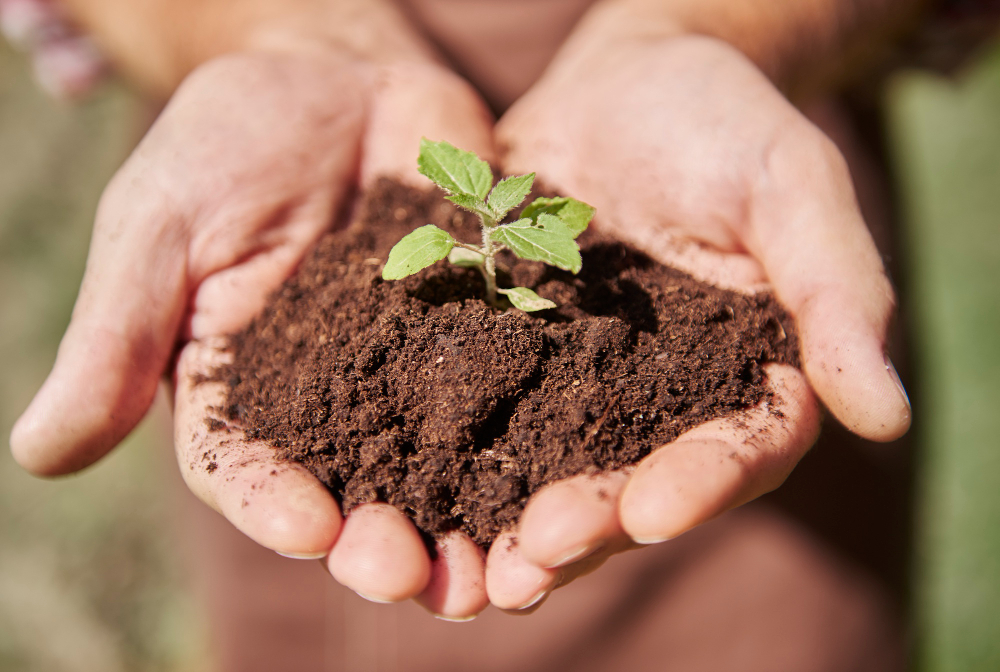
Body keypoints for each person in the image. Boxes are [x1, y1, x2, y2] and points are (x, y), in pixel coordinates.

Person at [8, 0, 933, 668]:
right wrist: (268, 29)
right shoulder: (371, 249)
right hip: (300, 179)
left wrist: (716, 25)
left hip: (717, 160)